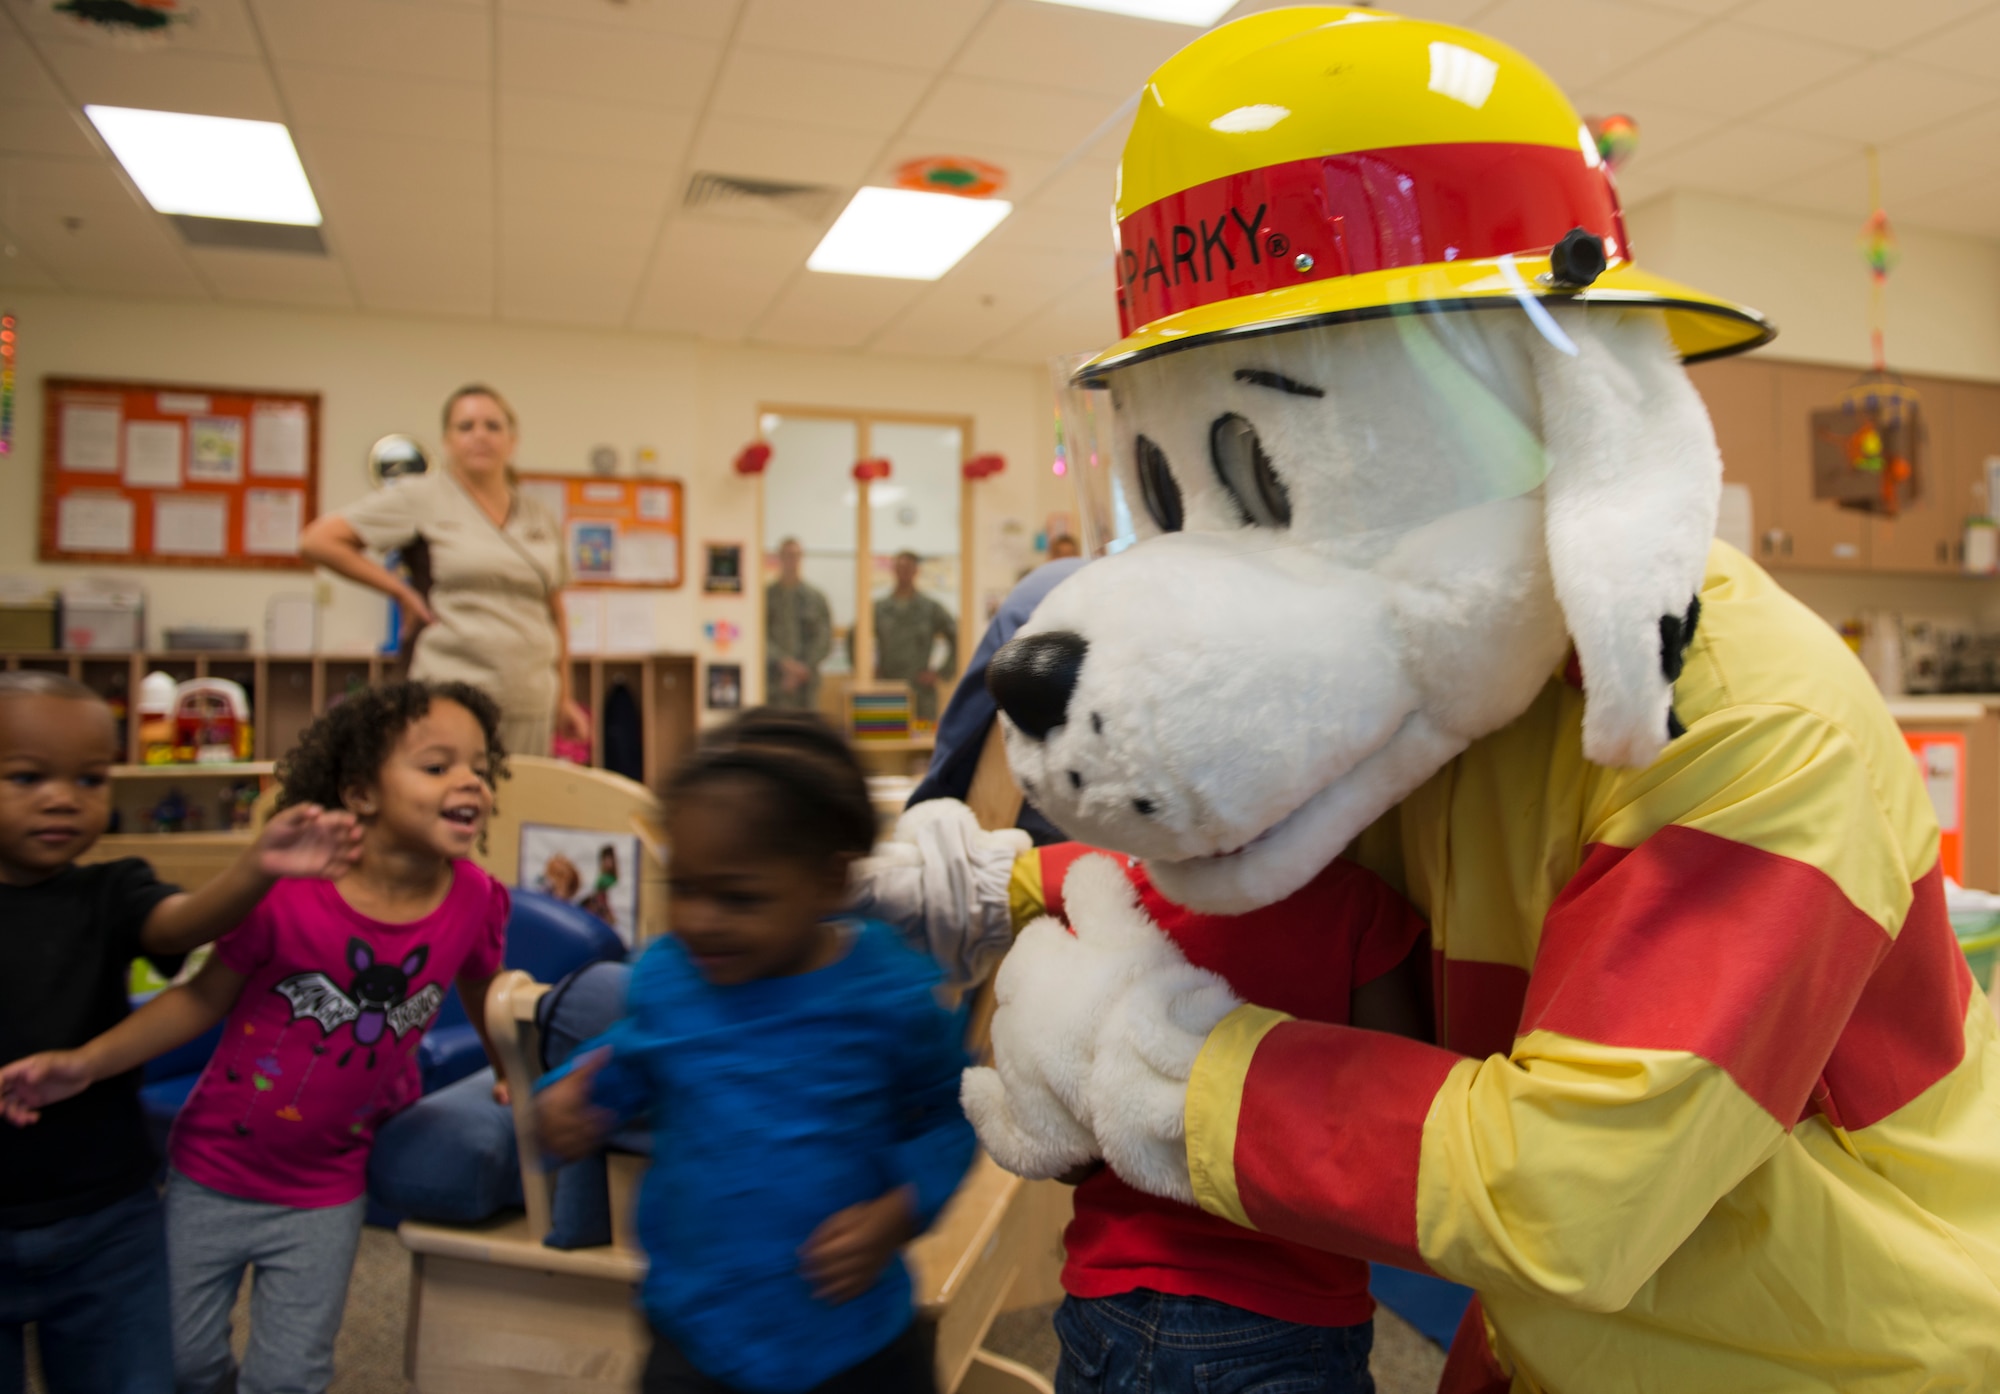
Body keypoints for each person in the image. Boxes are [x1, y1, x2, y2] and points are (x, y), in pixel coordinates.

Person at [0, 680, 513, 1394]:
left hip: (329, 1185)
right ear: (361, 792)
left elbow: (485, 986)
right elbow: (201, 997)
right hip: (212, 1172)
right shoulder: (288, 896)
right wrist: (87, 1062)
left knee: (288, 1378)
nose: (469, 782)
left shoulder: (477, 899)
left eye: (481, 769)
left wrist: (508, 1068)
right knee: (180, 1362)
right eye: (436, 765)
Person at [536, 709, 976, 1394]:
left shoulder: (887, 990)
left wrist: (899, 1210)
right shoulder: (668, 976)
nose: (698, 920)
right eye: (682, 888)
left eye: (740, 898)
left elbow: (950, 1113)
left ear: (831, 883)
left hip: (854, 1340)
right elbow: (625, 1063)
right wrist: (568, 1098)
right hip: (697, 1331)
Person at [300, 384, 589, 758]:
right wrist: (400, 591)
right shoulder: (421, 497)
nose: (480, 435)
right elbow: (319, 540)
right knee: (455, 807)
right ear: (447, 440)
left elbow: (556, 612)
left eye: (492, 426)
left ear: (512, 441)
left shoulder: (538, 514)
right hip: (452, 692)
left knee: (520, 808)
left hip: (532, 698)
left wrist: (564, 698)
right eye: (466, 426)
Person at [872, 552, 956, 723]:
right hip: (887, 687)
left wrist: (940, 672)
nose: (904, 572)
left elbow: (957, 638)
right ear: (894, 570)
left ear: (916, 571)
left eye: (908, 568)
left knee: (923, 744)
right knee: (887, 739)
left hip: (920, 689)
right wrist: (867, 670)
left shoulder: (930, 608)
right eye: (900, 567)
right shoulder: (879, 608)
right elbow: (854, 637)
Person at [765, 537, 832, 712]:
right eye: (787, 555)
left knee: (806, 733)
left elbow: (824, 638)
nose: (791, 560)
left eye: (795, 555)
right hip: (774, 680)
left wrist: (803, 669)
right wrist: (784, 663)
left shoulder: (815, 597)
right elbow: (759, 637)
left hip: (806, 683)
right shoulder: (766, 596)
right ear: (779, 557)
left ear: (801, 558)